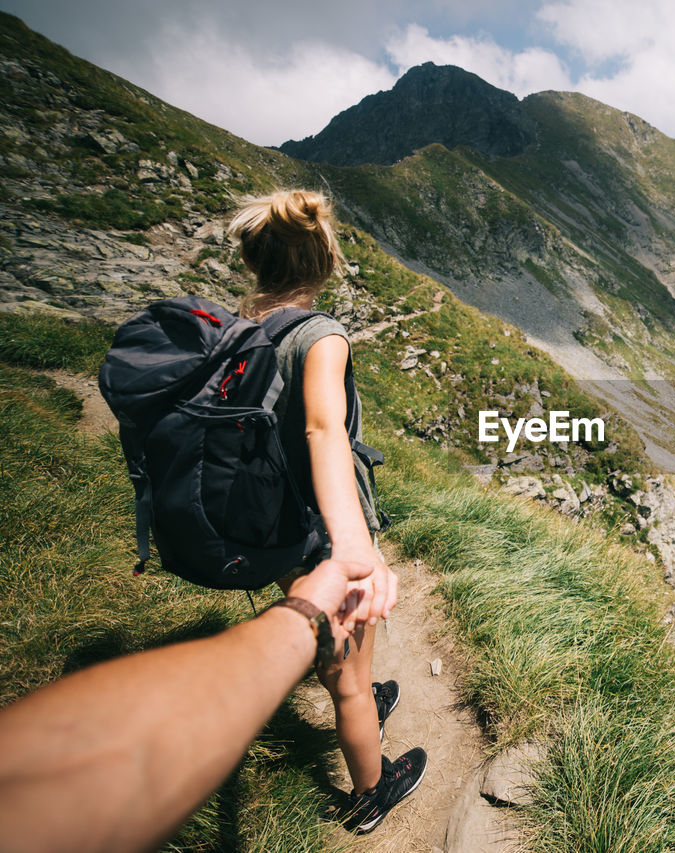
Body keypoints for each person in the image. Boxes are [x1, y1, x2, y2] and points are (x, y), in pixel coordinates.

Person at [229, 189, 425, 833]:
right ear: (325, 260)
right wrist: (354, 545)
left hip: (274, 518)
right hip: (322, 525)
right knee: (347, 670)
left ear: (257, 262)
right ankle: (372, 790)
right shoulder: (321, 337)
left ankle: (361, 691)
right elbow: (323, 430)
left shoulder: (240, 330)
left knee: (338, 649)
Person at [0, 558, 376, 853]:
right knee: (353, 685)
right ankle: (371, 797)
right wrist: (309, 618)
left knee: (346, 678)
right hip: (319, 567)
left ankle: (360, 706)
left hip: (268, 539)